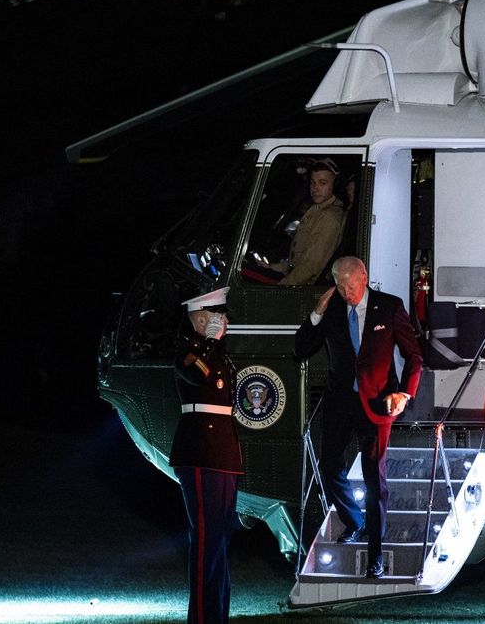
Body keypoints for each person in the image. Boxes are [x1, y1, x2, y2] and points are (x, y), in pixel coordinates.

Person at [294, 257, 423, 579]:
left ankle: (375, 555)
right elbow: (300, 348)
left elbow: (414, 355)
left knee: (374, 479)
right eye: (340, 286)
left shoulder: (389, 307)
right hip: (339, 403)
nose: (347, 292)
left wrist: (404, 394)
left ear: (364, 277)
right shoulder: (333, 309)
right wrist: (317, 314)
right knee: (329, 467)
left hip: (378, 404)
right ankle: (355, 521)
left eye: (351, 285)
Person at [170, 286, 244, 624]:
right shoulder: (188, 350)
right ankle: (201, 618)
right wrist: (212, 343)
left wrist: (216, 345)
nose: (221, 322)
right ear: (199, 318)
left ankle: (218, 616)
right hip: (200, 451)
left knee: (219, 540)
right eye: (214, 317)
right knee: (205, 539)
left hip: (223, 453)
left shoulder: (218, 353)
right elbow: (199, 375)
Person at [260, 159, 346, 285]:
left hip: (305, 288)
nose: (315, 188)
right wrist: (271, 267)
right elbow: (297, 261)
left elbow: (311, 267)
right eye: (313, 182)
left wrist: (281, 288)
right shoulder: (317, 210)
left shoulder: (330, 217)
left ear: (335, 185)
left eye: (322, 183)